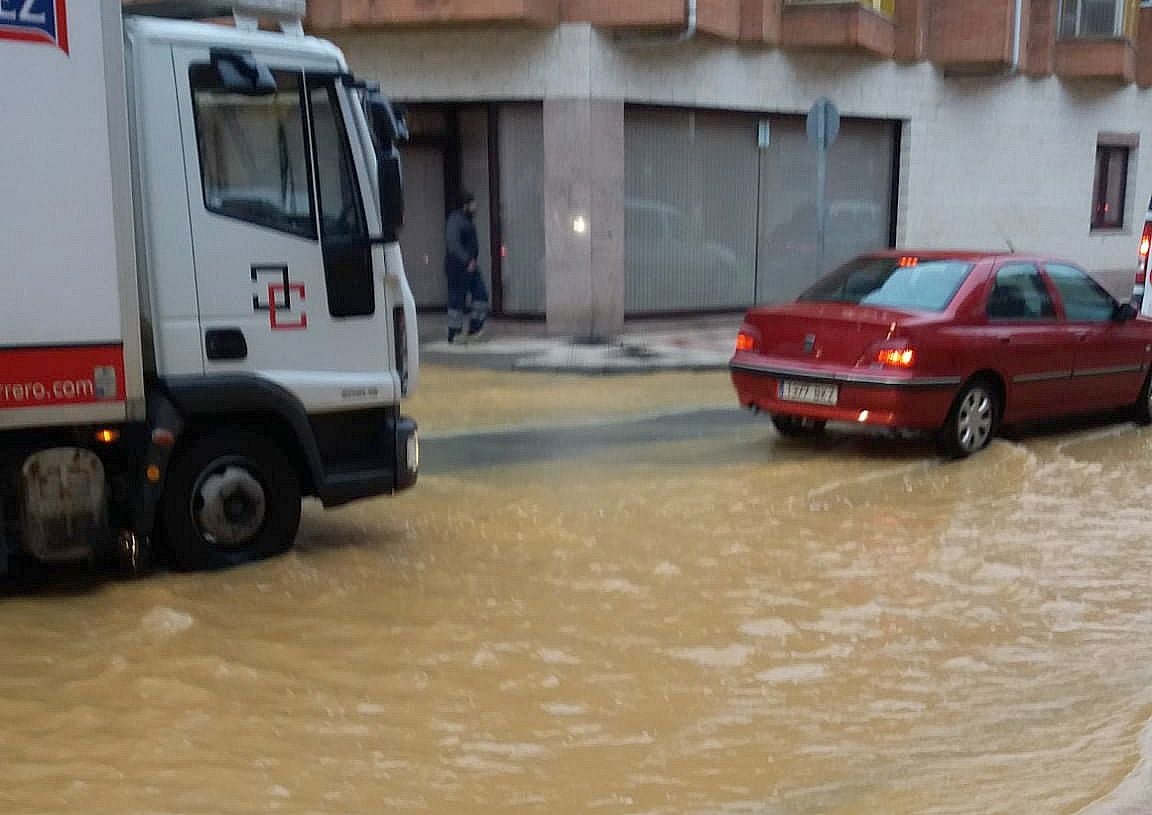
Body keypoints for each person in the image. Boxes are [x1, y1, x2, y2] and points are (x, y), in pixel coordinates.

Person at [444, 190, 488, 343]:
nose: (475, 207)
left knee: (480, 295)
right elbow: (453, 244)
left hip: (470, 264)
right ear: (465, 205)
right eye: (473, 204)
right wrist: (467, 260)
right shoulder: (455, 220)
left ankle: (475, 328)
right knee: (457, 299)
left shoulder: (466, 220)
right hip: (458, 266)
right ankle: (454, 333)